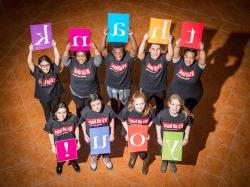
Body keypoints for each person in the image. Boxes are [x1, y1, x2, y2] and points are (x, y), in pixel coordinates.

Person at [100, 27, 137, 113]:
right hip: (111, 86)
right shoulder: (109, 57)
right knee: (113, 103)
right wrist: (104, 35)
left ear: (124, 51)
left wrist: (131, 35)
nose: (119, 55)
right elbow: (102, 49)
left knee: (124, 105)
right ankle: (115, 116)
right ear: (112, 52)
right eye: (116, 52)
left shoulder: (128, 58)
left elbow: (135, 50)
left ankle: (122, 117)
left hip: (125, 87)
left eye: (121, 52)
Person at [154, 94, 192, 173]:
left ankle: (172, 162)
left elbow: (188, 125)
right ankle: (164, 162)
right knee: (163, 152)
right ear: (169, 104)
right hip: (164, 138)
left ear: (181, 106)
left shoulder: (184, 116)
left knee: (174, 152)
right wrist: (159, 137)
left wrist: (186, 137)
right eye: (173, 104)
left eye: (178, 105)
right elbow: (158, 124)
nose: (175, 107)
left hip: (176, 139)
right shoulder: (162, 114)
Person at [118, 91, 155, 175]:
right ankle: (133, 157)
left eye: (142, 103)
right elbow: (122, 119)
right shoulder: (128, 109)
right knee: (131, 146)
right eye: (137, 104)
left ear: (145, 102)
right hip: (130, 131)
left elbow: (152, 120)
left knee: (142, 152)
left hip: (142, 133)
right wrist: (128, 132)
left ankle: (145, 163)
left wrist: (147, 129)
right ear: (133, 103)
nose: (140, 106)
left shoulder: (150, 110)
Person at [62, 42, 102, 117]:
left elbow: (99, 60)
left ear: (86, 55)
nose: (80, 58)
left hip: (92, 94)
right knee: (79, 110)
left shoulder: (92, 62)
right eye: (78, 56)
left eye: (83, 56)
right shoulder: (72, 62)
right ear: (75, 56)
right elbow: (64, 60)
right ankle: (81, 123)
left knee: (92, 110)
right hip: (76, 94)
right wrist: (67, 48)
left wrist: (94, 47)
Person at [28, 40, 64, 121]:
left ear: (50, 64)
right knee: (47, 113)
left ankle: (57, 123)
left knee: (56, 110)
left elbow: (57, 57)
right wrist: (30, 50)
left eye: (47, 64)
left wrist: (54, 46)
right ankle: (50, 127)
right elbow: (30, 63)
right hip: (44, 98)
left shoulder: (54, 69)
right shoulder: (37, 72)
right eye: (43, 65)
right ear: (39, 66)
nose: (45, 67)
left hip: (55, 95)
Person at [137, 33, 173, 114]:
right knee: (142, 108)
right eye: (153, 49)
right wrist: (144, 40)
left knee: (160, 108)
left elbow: (170, 55)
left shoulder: (163, 59)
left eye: (158, 49)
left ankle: (158, 122)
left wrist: (170, 42)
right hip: (146, 88)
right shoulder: (145, 57)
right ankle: (142, 122)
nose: (155, 52)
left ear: (161, 50)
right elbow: (140, 54)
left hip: (160, 89)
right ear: (149, 50)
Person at [80, 93, 117, 171]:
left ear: (101, 102)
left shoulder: (108, 109)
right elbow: (82, 121)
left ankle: (105, 157)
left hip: (105, 133)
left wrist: (112, 133)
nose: (97, 107)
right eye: (93, 105)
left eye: (98, 104)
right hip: (92, 135)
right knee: (93, 148)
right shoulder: (85, 111)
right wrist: (85, 134)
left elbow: (112, 119)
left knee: (105, 147)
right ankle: (94, 157)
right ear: (90, 105)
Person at [168, 39, 206, 111]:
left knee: (186, 113)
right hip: (174, 94)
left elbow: (203, 59)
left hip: (191, 97)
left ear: (195, 58)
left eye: (191, 58)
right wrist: (177, 46)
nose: (188, 60)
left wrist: (202, 50)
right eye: (186, 57)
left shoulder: (197, 67)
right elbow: (176, 53)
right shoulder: (178, 62)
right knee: (173, 112)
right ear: (184, 56)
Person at [44, 102, 81, 175]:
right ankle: (60, 164)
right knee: (59, 157)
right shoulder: (51, 122)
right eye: (59, 113)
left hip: (71, 141)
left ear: (67, 111)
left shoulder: (72, 117)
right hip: (59, 143)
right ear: (55, 113)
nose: (62, 115)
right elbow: (50, 133)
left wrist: (78, 140)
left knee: (72, 155)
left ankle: (73, 162)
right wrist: (53, 145)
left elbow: (76, 127)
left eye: (64, 112)